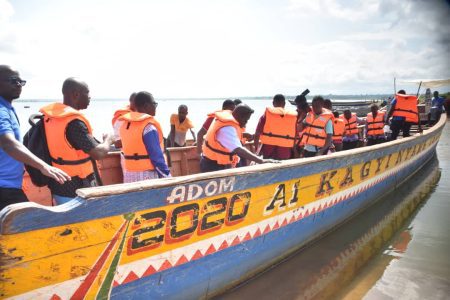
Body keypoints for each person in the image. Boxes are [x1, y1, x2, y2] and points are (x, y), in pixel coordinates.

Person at [0, 65, 70, 209]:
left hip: (9, 186)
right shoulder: (1, 111)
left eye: (21, 81)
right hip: (4, 188)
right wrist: (43, 166)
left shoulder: (7, 108)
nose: (19, 85)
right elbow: (8, 143)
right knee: (29, 225)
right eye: (13, 80)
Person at [40, 77, 115, 204]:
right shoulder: (74, 123)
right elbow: (98, 153)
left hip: (59, 185)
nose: (90, 97)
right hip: (77, 189)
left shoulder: (50, 118)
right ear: (76, 94)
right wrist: (108, 140)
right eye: (87, 92)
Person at [200, 104, 278, 172]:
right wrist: (261, 160)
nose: (246, 123)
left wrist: (242, 135)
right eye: (246, 120)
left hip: (219, 162)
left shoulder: (229, 121)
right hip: (213, 165)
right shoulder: (227, 128)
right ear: (239, 116)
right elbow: (238, 149)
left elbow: (224, 138)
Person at [119, 91, 171, 182]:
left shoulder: (125, 125)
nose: (155, 107)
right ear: (146, 106)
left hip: (129, 176)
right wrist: (168, 177)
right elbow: (157, 158)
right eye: (154, 104)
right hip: (147, 177)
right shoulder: (148, 127)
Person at [254, 94, 296, 160]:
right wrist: (295, 151)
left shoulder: (266, 115)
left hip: (268, 149)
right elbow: (295, 135)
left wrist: (256, 150)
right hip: (285, 150)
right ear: (284, 104)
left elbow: (257, 133)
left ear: (273, 103)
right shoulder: (292, 117)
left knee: (267, 165)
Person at [290, 94, 311, 158]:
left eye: (297, 105)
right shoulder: (297, 112)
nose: (297, 107)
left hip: (303, 144)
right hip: (296, 142)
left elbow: (299, 129)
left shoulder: (309, 114)